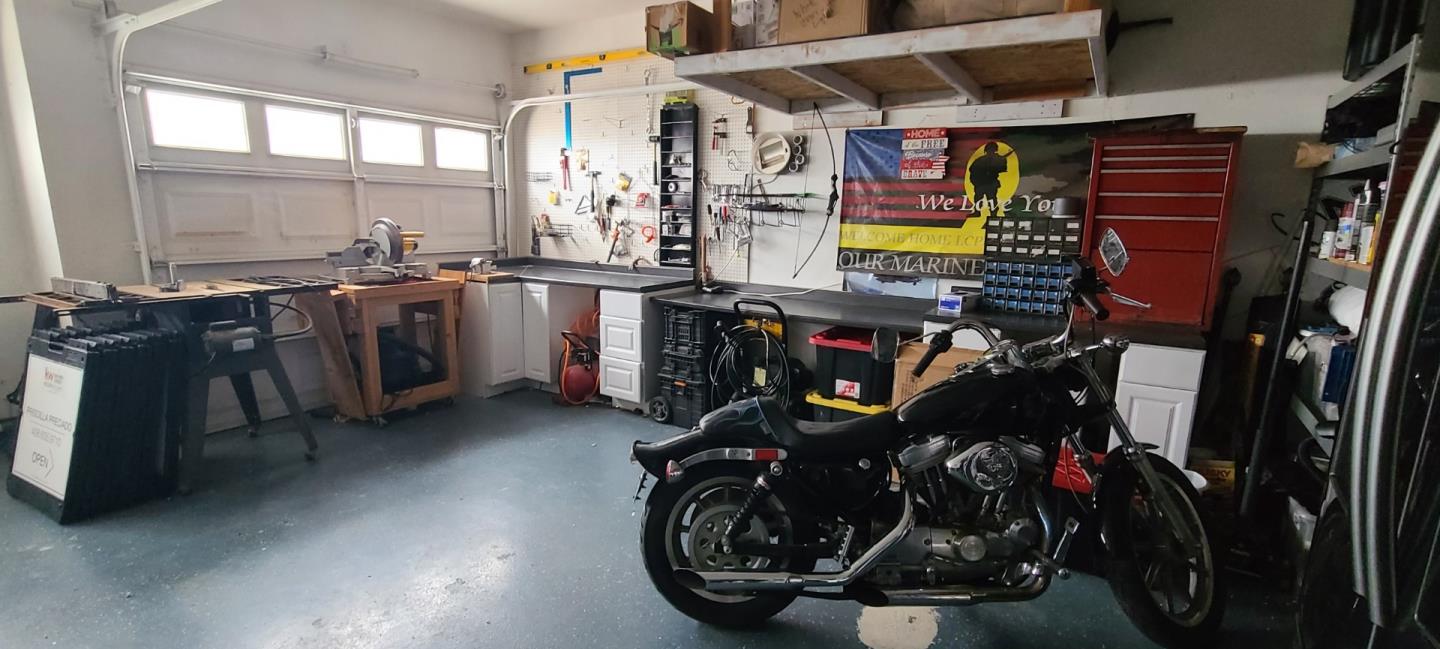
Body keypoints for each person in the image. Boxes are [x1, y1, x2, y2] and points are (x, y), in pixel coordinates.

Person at [968, 142, 1014, 217]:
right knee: (978, 198)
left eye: (992, 149)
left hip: (991, 182)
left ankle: (993, 214)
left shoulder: (999, 159)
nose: (991, 151)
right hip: (980, 182)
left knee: (992, 199)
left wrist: (994, 167)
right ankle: (977, 212)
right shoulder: (980, 159)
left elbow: (1003, 169)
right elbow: (972, 169)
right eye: (990, 149)